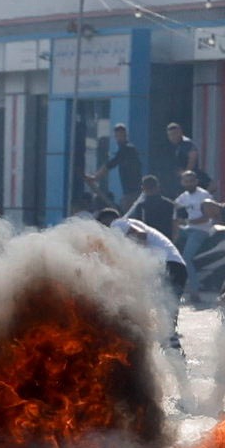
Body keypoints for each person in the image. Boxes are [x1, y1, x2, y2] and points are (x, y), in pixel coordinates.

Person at [111, 216, 189, 351]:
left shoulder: (117, 223)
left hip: (166, 266)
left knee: (163, 317)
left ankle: (171, 356)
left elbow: (141, 236)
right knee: (166, 318)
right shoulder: (128, 225)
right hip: (177, 267)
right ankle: (174, 358)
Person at [87, 123, 141, 202]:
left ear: (126, 135)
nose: (119, 138)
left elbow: (111, 164)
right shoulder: (125, 150)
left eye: (121, 136)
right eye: (117, 136)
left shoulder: (128, 149)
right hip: (130, 191)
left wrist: (95, 177)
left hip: (133, 192)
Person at [122, 174, 177, 241]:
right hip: (152, 241)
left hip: (162, 240)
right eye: (148, 187)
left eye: (151, 187)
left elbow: (174, 224)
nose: (150, 190)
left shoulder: (169, 205)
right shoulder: (141, 206)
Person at [166, 123, 205, 188]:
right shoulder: (171, 146)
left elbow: (192, 158)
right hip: (177, 178)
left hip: (189, 177)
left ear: (181, 132)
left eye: (175, 133)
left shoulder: (187, 144)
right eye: (170, 135)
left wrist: (186, 174)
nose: (173, 136)